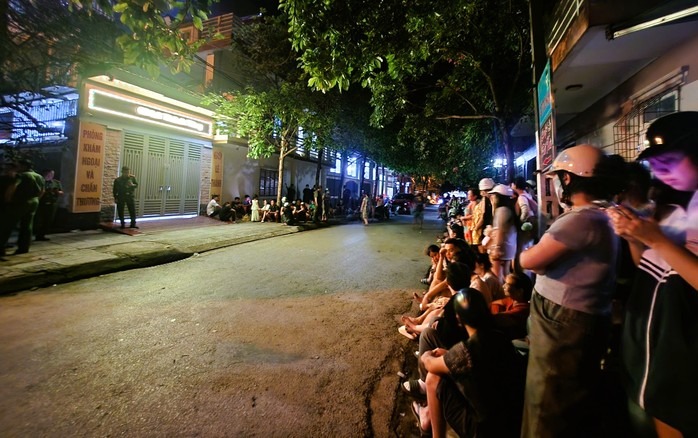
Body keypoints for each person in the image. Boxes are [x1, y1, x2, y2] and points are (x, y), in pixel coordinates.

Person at [520, 144, 625, 437]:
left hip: (564, 322)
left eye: (558, 176)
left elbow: (529, 260)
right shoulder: (602, 214)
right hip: (579, 319)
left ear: (567, 179)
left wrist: (533, 259)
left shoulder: (582, 219)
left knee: (546, 405)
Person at [606, 112, 698, 437]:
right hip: (652, 349)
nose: (661, 172)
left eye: (670, 161)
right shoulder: (667, 204)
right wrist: (635, 237)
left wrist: (655, 239)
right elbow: (646, 264)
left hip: (683, 355)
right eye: (656, 164)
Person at [418, 288, 525, 437]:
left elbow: (430, 364)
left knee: (434, 378)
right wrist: (449, 356)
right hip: (514, 423)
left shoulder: (465, 351)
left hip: (483, 431)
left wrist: (426, 356)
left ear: (459, 319)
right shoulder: (500, 337)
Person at [0, 159, 44, 259]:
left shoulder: (22, 175)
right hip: (33, 201)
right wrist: (36, 199)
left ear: (24, 166)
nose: (17, 168)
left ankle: (1, 247)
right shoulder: (39, 176)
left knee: (7, 225)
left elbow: (13, 187)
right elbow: (42, 191)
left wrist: (8, 199)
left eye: (18, 166)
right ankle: (24, 247)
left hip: (20, 202)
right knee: (27, 225)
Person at [487, 184, 518, 281]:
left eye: (493, 195)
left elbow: (499, 230)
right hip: (508, 245)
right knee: (505, 272)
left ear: (499, 197)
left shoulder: (502, 211)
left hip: (502, 246)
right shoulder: (508, 209)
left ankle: (502, 288)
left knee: (498, 274)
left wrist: (496, 248)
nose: (492, 197)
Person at [34, 169, 63, 241]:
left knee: (48, 220)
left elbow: (61, 192)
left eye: (52, 174)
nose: (51, 176)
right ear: (45, 174)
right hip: (41, 203)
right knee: (38, 219)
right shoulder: (40, 181)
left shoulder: (56, 182)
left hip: (51, 204)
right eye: (49, 174)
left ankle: (41, 235)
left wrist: (57, 191)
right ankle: (34, 233)